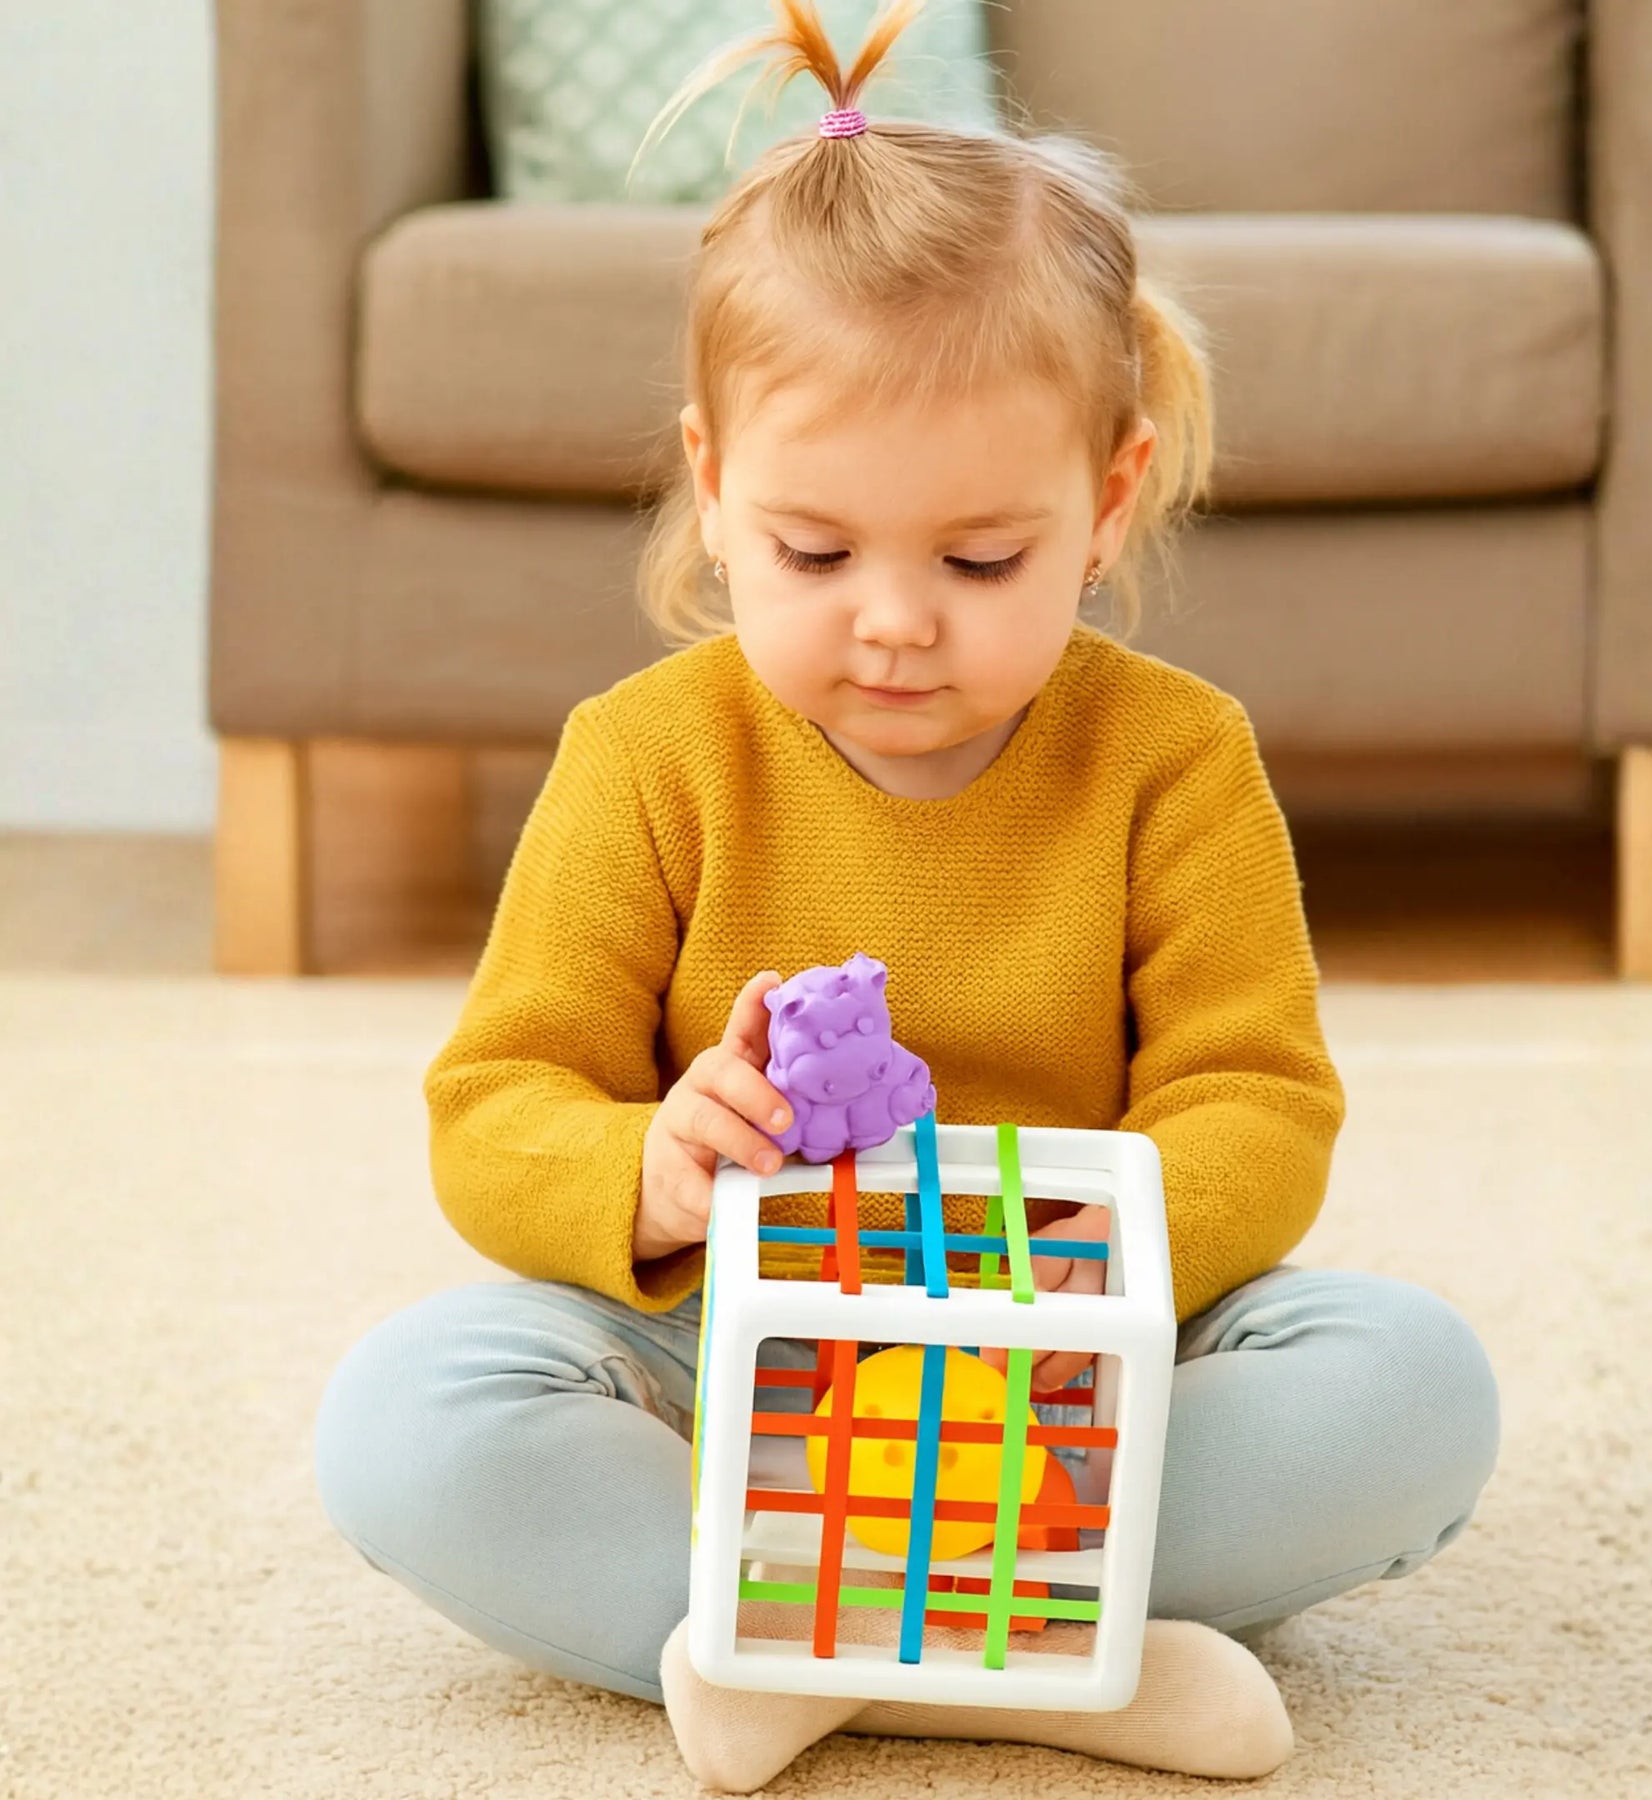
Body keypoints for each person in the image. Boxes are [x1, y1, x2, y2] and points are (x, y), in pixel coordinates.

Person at [313, 1, 1501, 1788]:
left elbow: (1259, 1104)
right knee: (409, 1421)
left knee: (1409, 1382)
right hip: (731, 1341)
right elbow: (497, 1106)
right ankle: (1048, 1662)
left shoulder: (1175, 758)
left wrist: (1052, 1235)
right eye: (814, 551)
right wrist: (655, 1164)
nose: (892, 617)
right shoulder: (647, 753)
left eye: (978, 557)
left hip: (1070, 1369)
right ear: (714, 491)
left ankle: (793, 1639)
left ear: (1108, 504)